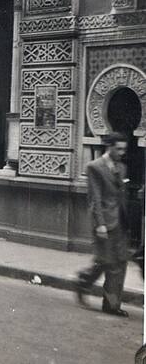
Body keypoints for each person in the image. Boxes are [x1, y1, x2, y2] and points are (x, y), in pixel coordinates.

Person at [76, 132, 130, 317]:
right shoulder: (95, 167)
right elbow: (95, 198)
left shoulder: (122, 168)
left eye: (124, 149)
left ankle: (109, 303)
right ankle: (86, 283)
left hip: (121, 222)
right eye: (118, 149)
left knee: (119, 262)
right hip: (104, 223)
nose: (122, 152)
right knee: (106, 262)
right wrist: (99, 224)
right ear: (109, 147)